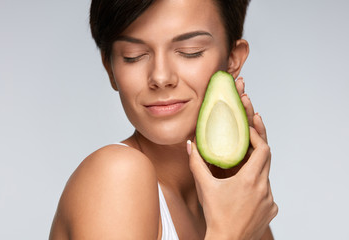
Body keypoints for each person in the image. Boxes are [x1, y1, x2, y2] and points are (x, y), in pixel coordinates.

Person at [49, 0, 278, 239]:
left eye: (190, 51)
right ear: (110, 69)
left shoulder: (243, 209)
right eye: (133, 56)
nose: (160, 77)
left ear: (233, 59)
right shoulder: (117, 174)